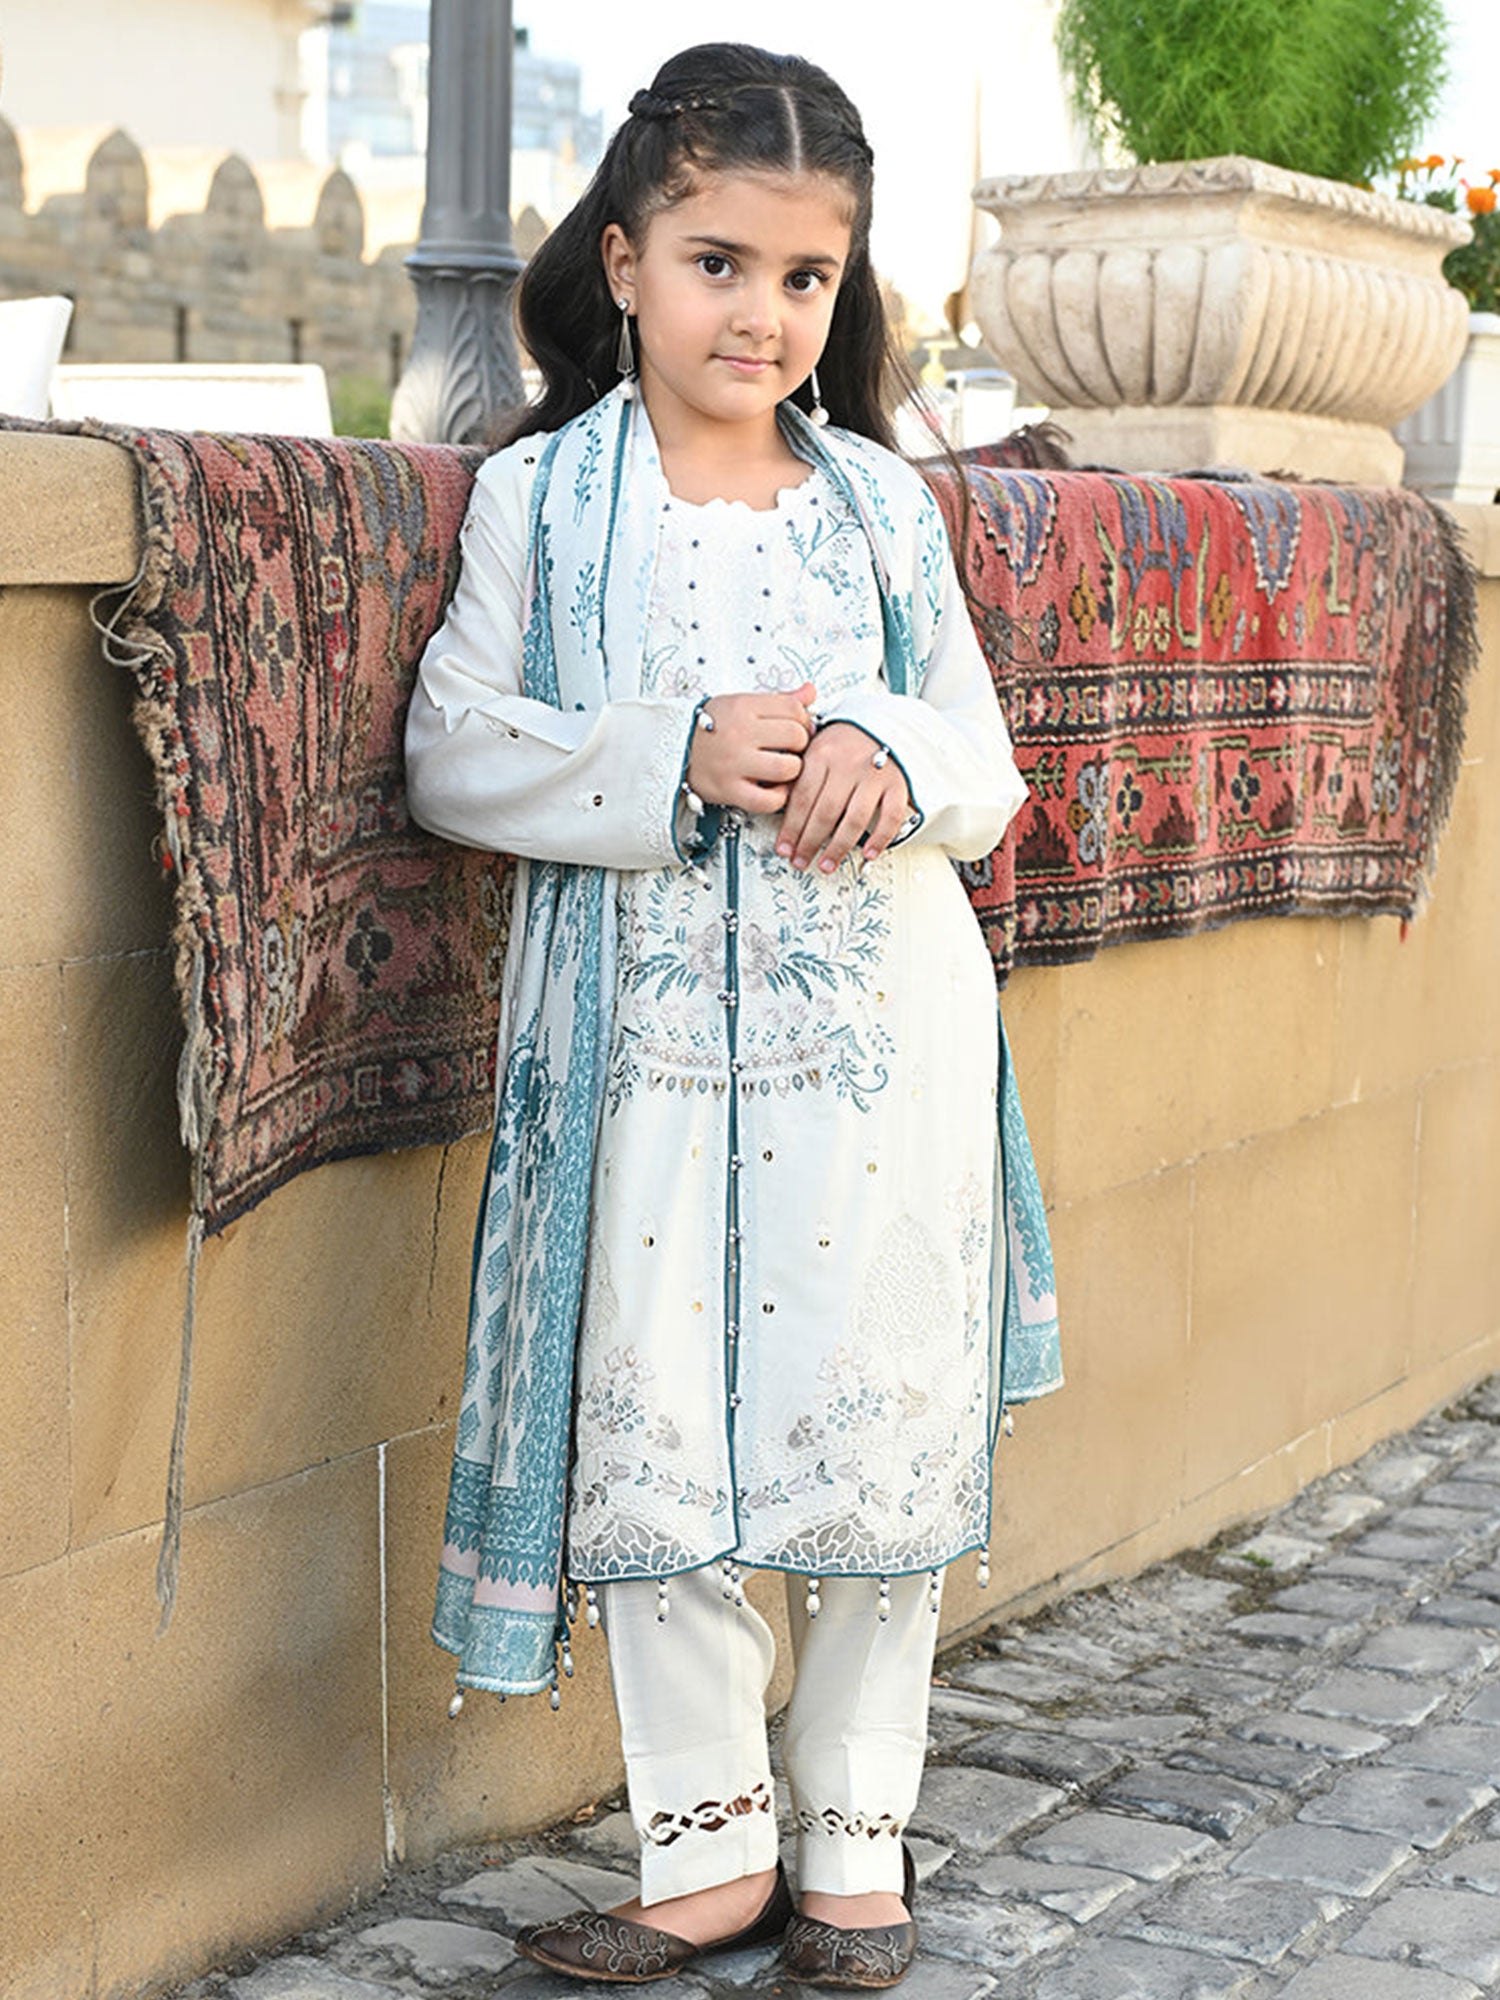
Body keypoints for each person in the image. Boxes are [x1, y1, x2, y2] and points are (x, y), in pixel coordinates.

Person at [402, 41, 1060, 1990]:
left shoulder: (881, 509)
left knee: (873, 1427)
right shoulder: (541, 501)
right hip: (642, 1056)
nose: (762, 313)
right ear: (621, 261)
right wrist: (668, 752)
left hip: (879, 1052)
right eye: (718, 262)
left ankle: (856, 1843)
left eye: (805, 276)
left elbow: (986, 768)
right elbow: (454, 750)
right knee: (658, 1432)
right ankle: (704, 1854)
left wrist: (887, 750)